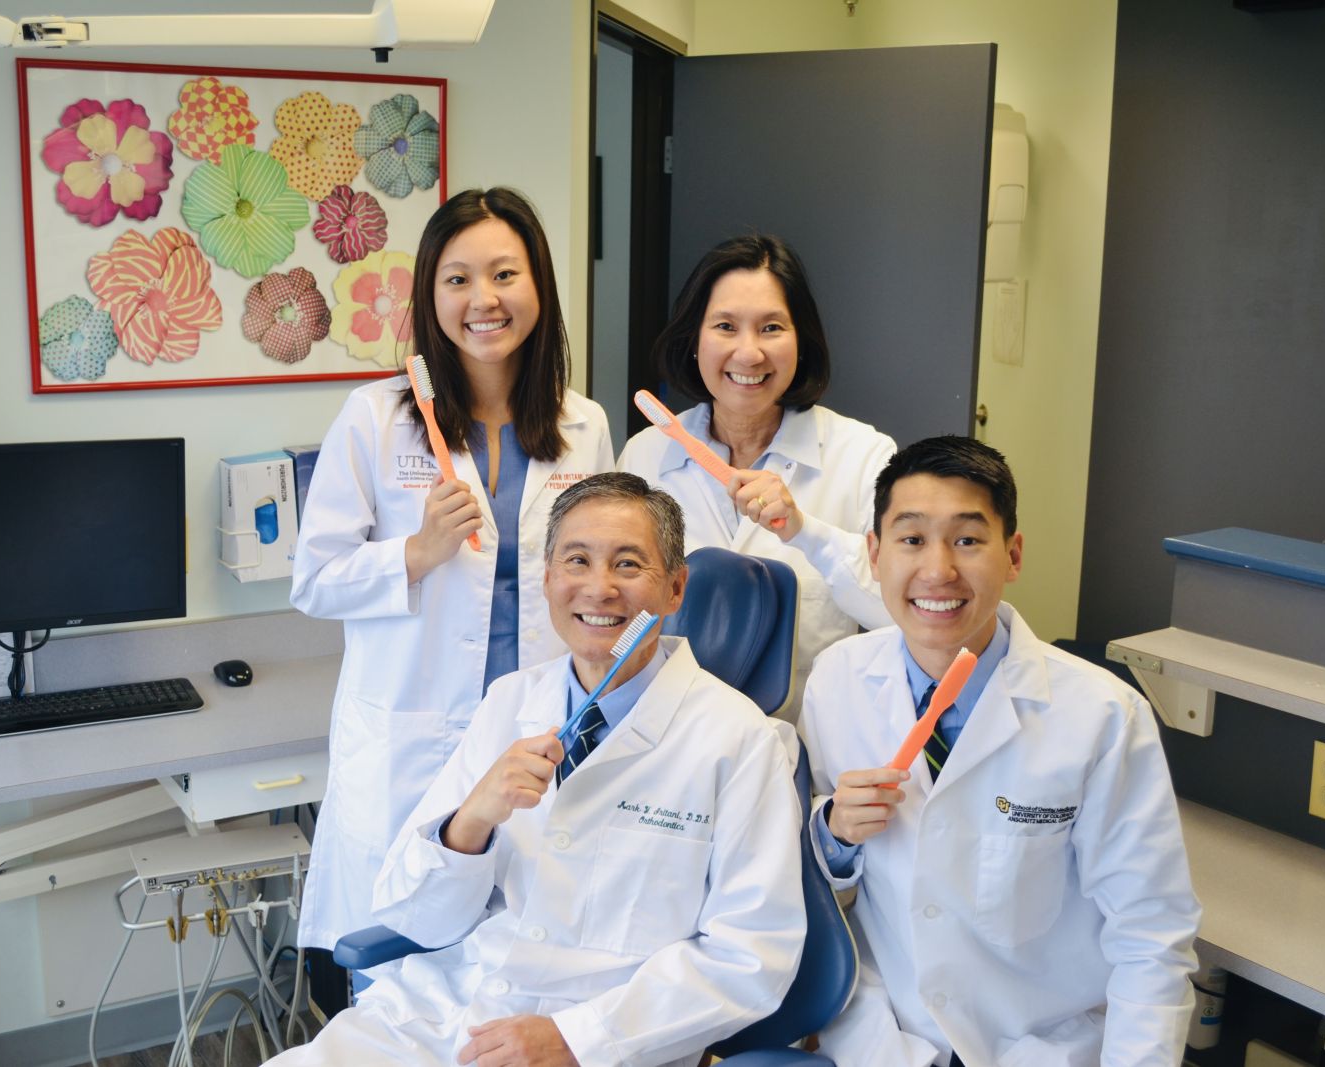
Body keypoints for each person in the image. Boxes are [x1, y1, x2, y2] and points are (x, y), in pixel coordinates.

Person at [269, 473, 805, 1067]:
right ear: (548, 578)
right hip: (439, 1016)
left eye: (629, 565)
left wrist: (578, 1038)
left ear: (675, 589)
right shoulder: (511, 702)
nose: (599, 589)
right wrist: (470, 821)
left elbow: (752, 958)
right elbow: (414, 915)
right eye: (577, 560)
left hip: (602, 1039)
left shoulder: (739, 738)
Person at [799, 436, 1201, 1067]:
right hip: (887, 1040)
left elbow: (1150, 933)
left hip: (1040, 1046)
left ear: (1012, 554)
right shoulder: (838, 680)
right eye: (910, 540)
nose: (938, 571)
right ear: (874, 556)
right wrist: (833, 831)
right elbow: (821, 884)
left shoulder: (1102, 715)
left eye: (967, 539)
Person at [290, 188, 614, 965]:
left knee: (520, 961)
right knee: (401, 969)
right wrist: (418, 551)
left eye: (505, 274)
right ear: (431, 293)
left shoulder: (584, 424)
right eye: (458, 278)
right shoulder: (374, 417)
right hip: (412, 739)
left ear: (538, 285)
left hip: (535, 741)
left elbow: (597, 582)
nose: (483, 300)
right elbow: (314, 581)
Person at [618, 234, 897, 716]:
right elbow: (618, 612)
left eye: (771, 327)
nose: (749, 354)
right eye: (725, 326)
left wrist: (806, 533)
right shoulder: (646, 456)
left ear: (802, 341)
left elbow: (900, 612)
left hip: (804, 748)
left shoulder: (863, 456)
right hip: (667, 745)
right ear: (694, 340)